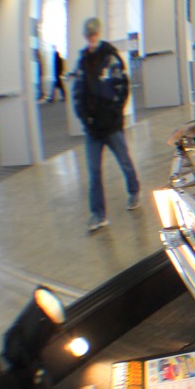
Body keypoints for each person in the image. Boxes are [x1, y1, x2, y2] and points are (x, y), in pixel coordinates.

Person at [73, 17, 139, 233]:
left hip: (111, 126)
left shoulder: (110, 57)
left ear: (99, 33)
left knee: (124, 161)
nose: (91, 38)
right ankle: (98, 214)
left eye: (94, 34)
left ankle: (134, 190)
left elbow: (122, 87)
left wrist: (114, 113)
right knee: (94, 172)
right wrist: (84, 117)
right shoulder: (83, 61)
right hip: (92, 129)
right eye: (88, 35)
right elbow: (77, 92)